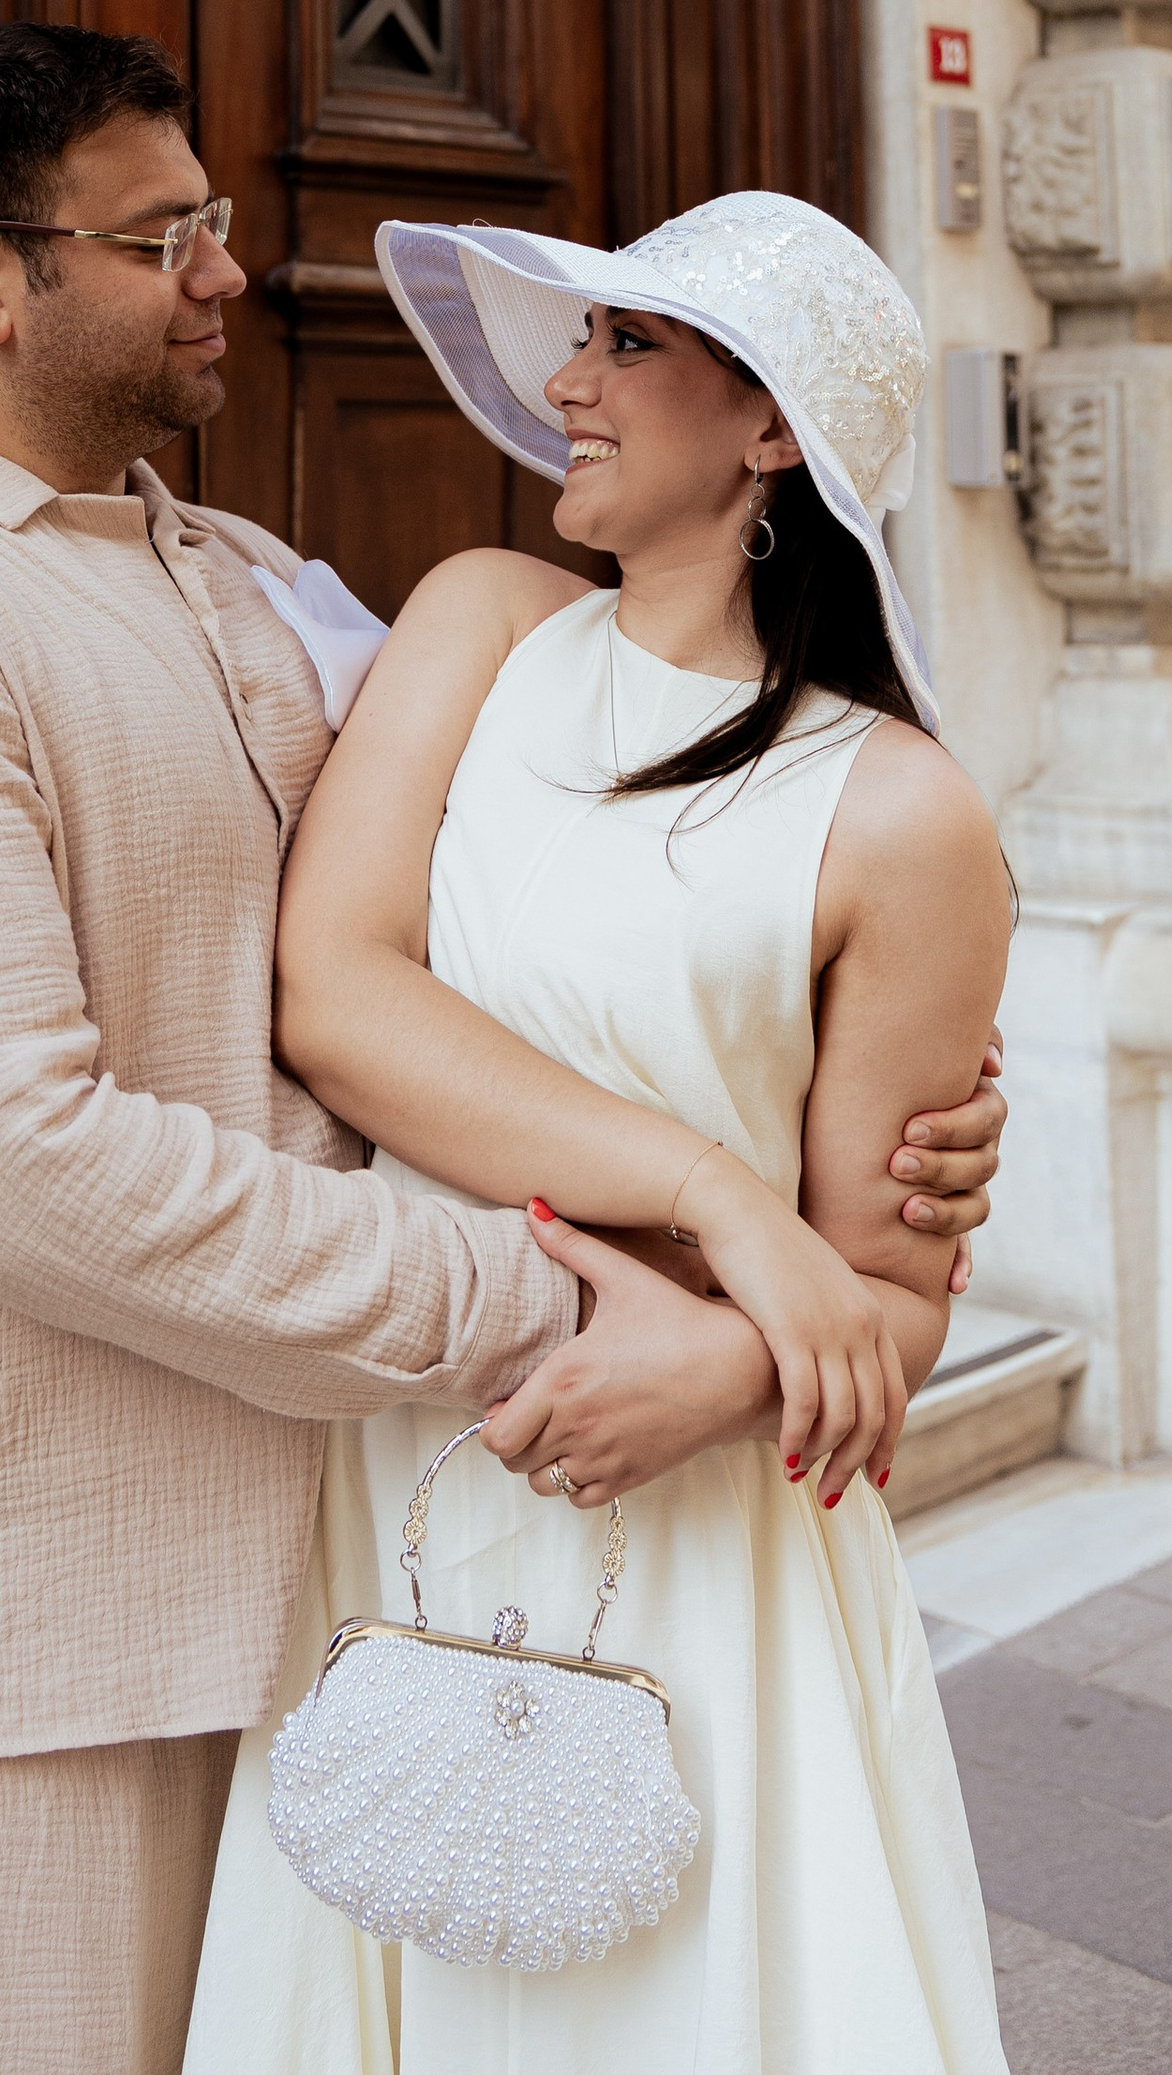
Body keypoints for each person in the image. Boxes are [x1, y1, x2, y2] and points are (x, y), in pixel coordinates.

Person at [0, 28, 1006, 2075]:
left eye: (214, 223)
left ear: (766, 433)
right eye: (163, 237)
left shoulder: (237, 584)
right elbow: (38, 1152)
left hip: (303, 1585)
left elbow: (577, 954)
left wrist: (826, 1227)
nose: (227, 271)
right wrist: (655, 1250)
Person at [183, 194, 1014, 2073]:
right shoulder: (482, 626)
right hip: (412, 1447)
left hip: (703, 1534)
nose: (567, 381)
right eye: (585, 340)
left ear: (773, 425)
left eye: (632, 345)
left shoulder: (899, 815)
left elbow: (884, 1307)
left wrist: (722, 1370)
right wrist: (714, 1194)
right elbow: (338, 993)